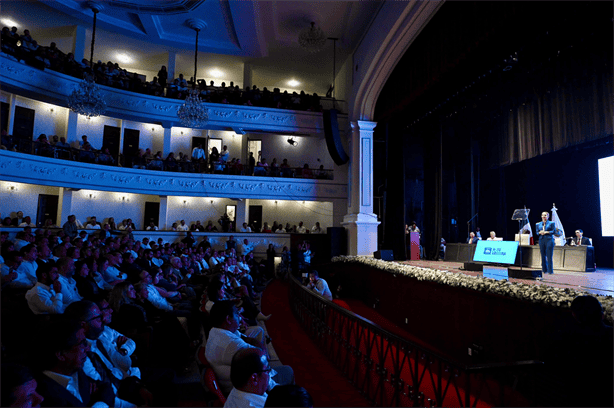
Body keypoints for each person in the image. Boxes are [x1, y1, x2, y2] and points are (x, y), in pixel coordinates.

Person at [205, 301, 294, 394]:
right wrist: (255, 343)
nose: (239, 316)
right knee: (288, 371)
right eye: (236, 313)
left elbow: (247, 339)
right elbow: (260, 355)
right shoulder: (231, 343)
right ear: (228, 319)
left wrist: (251, 341)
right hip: (244, 388)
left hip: (241, 380)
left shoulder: (215, 331)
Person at [536, 211, 555, 276]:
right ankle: (544, 270)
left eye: (545, 215)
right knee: (543, 255)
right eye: (543, 215)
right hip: (541, 240)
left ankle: (550, 271)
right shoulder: (538, 224)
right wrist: (540, 232)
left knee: (549, 256)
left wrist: (546, 232)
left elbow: (553, 231)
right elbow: (536, 232)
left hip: (549, 240)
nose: (544, 217)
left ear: (548, 216)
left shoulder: (551, 223)